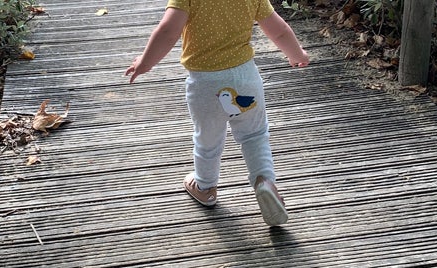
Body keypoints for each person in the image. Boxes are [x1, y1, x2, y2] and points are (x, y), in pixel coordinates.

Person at [125, 0, 310, 226]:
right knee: (254, 135)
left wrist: (146, 63)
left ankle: (204, 186)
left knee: (207, 138)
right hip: (246, 79)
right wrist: (296, 54)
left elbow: (168, 31)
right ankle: (265, 181)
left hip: (205, 84)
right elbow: (278, 30)